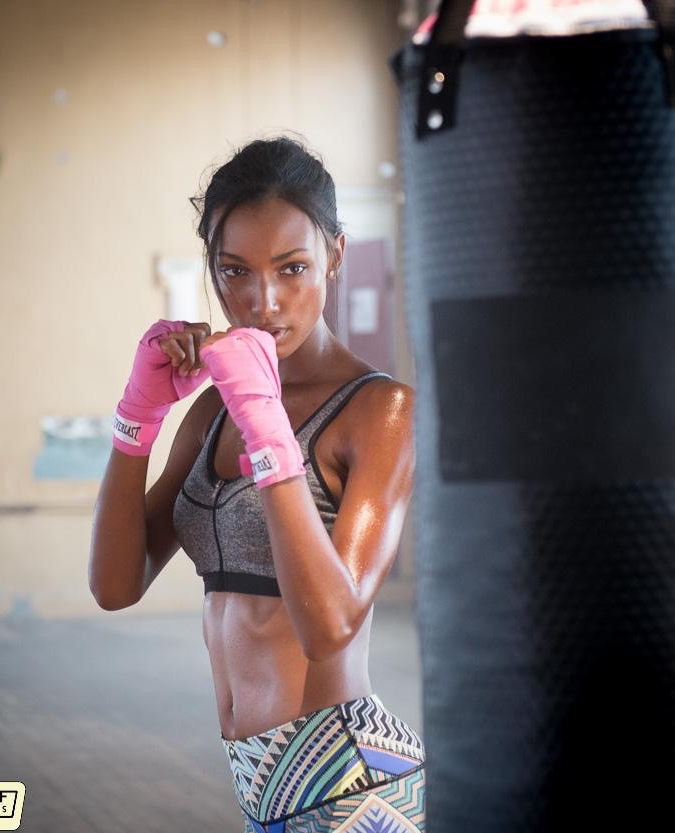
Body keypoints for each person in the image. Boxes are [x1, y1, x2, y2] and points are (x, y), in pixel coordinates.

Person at [89, 135, 426, 832]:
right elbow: (115, 585)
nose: (261, 301)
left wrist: (270, 430)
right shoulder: (215, 408)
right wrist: (137, 416)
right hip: (261, 784)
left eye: (292, 268)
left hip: (344, 778)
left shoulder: (379, 409)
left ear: (335, 254)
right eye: (234, 271)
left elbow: (332, 624)